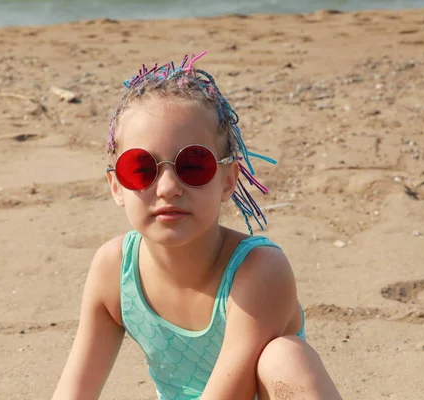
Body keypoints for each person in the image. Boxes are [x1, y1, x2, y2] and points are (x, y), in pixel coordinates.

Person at [52, 52, 342, 400]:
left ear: (228, 180)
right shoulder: (115, 269)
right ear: (117, 186)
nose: (168, 187)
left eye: (193, 165)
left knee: (286, 358)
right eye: (142, 169)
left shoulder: (260, 270)